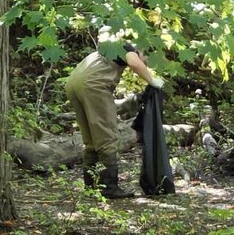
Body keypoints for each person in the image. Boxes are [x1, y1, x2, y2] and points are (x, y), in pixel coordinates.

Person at [65, 43, 163, 199]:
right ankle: (109, 188)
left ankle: (90, 186)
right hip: (93, 85)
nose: (145, 64)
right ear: (141, 52)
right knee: (107, 138)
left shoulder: (111, 47)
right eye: (146, 60)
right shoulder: (128, 48)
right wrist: (152, 81)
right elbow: (134, 62)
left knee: (91, 140)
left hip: (73, 83)